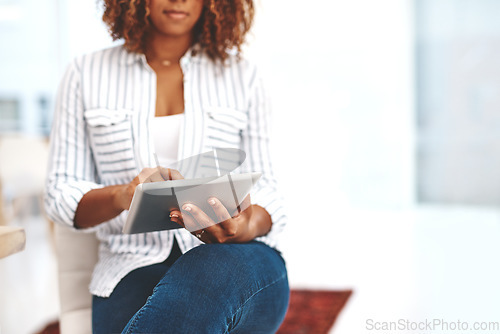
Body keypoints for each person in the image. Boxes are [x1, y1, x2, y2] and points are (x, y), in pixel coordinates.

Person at [44, 0, 289, 333]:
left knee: (211, 268)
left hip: (237, 258)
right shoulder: (85, 74)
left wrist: (245, 227)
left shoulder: (243, 76)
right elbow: (60, 194)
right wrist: (123, 195)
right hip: (131, 268)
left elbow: (269, 193)